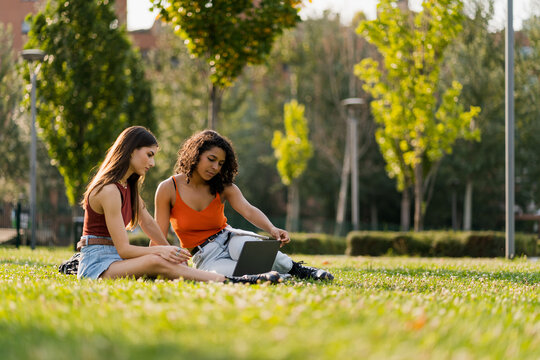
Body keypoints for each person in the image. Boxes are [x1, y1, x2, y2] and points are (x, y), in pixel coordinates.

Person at [76, 126, 278, 284]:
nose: (152, 163)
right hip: (98, 265)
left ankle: (232, 277)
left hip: (116, 262)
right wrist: (162, 251)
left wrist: (168, 250)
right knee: (156, 260)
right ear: (130, 151)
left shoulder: (128, 188)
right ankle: (230, 281)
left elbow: (148, 224)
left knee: (162, 260)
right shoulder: (109, 190)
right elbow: (124, 249)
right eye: (149, 154)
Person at [154, 129, 334, 281]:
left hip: (230, 238)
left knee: (248, 247)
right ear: (196, 154)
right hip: (205, 256)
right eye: (211, 159)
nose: (216, 167)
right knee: (229, 277)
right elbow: (157, 236)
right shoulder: (168, 188)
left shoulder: (223, 187)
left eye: (221, 163)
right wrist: (171, 258)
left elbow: (248, 210)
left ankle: (298, 270)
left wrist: (272, 229)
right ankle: (272, 277)